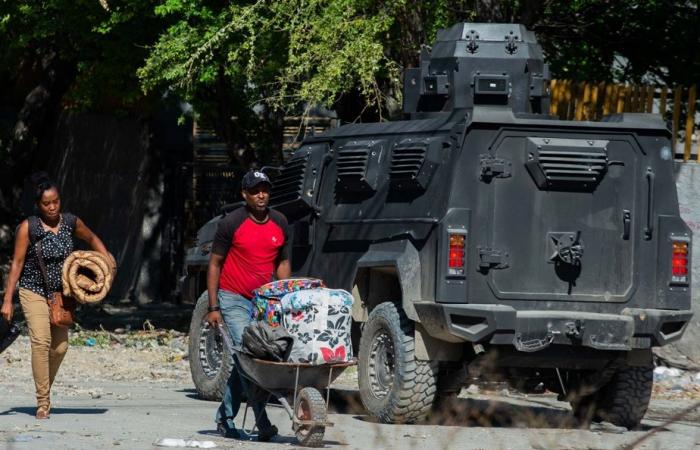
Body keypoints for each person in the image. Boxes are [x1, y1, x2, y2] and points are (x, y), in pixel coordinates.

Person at [0, 173, 110, 419]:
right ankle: (43, 401)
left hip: (61, 294)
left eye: (56, 202)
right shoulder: (29, 227)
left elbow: (91, 238)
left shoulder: (71, 222)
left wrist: (107, 261)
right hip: (32, 290)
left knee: (60, 347)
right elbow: (16, 265)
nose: (52, 207)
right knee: (41, 341)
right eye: (46, 204)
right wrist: (8, 300)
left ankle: (43, 385)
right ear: (38, 205)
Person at [205, 169, 291, 441]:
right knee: (246, 356)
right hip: (232, 298)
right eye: (255, 190)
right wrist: (213, 306)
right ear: (245, 194)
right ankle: (262, 422)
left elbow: (283, 263)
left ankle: (225, 416)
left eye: (264, 189)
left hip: (264, 302)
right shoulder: (232, 223)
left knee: (255, 360)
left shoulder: (280, 222)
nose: (261, 194)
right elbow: (214, 264)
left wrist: (283, 296)